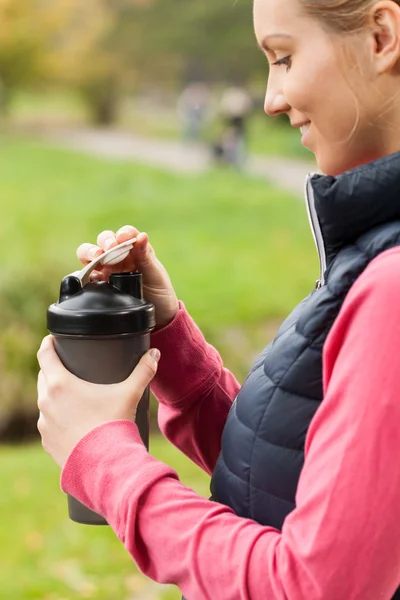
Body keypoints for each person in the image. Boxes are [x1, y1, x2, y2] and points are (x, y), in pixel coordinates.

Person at [37, 1, 400, 598]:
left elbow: (312, 586)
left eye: (283, 58)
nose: (270, 100)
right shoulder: (372, 247)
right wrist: (172, 345)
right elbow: (290, 475)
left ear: (382, 36)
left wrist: (106, 460)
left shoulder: (389, 285)